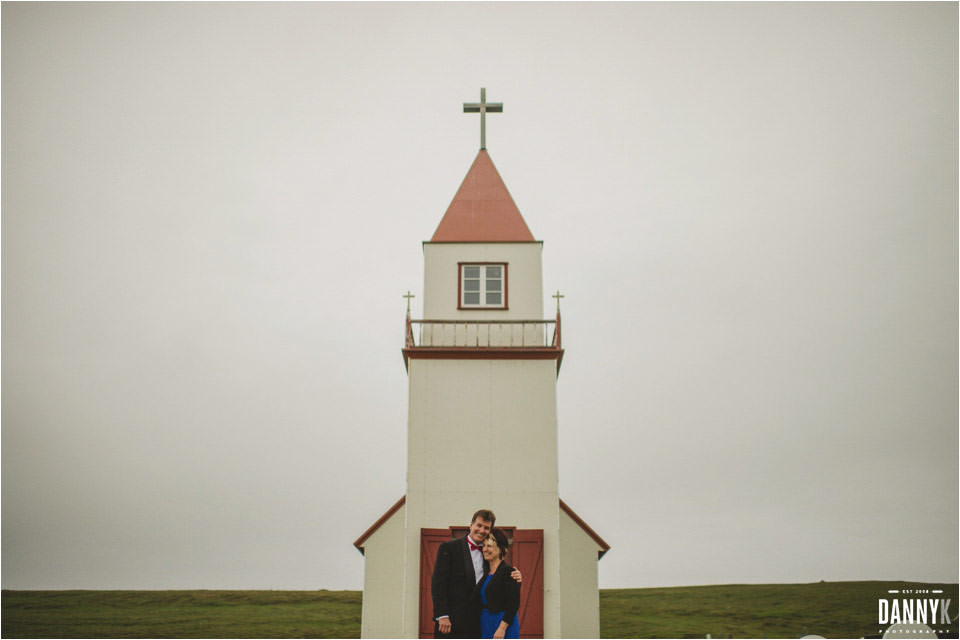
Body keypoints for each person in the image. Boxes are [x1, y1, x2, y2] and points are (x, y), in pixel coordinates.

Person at [431, 510, 521, 638]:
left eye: (486, 528)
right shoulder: (449, 548)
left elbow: (500, 578)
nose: (482, 530)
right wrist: (442, 615)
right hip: (450, 622)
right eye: (479, 525)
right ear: (471, 525)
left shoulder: (488, 555)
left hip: (476, 624)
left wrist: (516, 577)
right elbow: (438, 583)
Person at [472, 528, 521, 639]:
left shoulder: (510, 572)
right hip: (485, 623)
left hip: (503, 625)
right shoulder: (484, 573)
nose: (484, 549)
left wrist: (502, 629)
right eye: (483, 546)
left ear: (501, 549)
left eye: (489, 546)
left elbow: (513, 604)